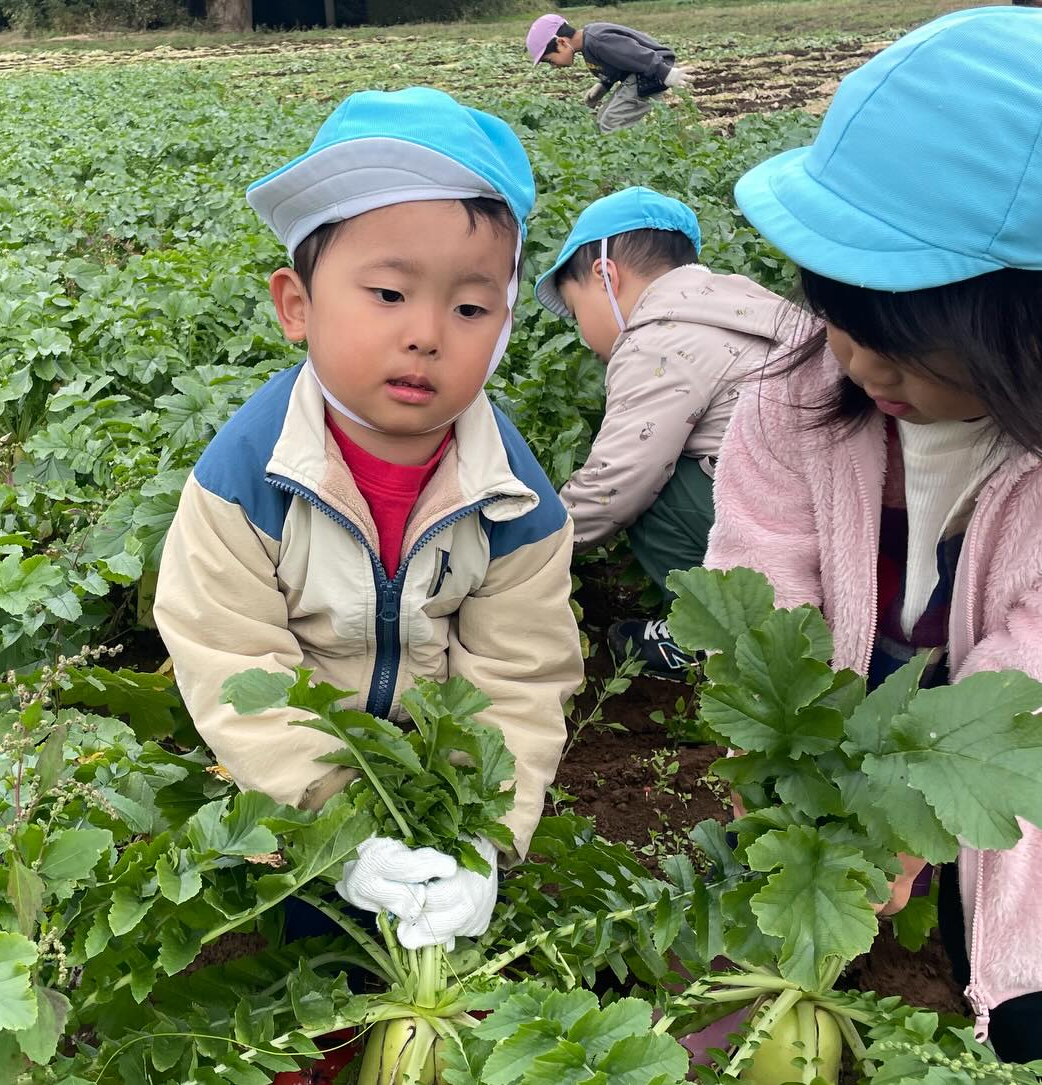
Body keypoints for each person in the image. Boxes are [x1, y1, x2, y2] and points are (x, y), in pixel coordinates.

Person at [154, 87, 585, 952]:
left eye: (470, 309)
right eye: (388, 293)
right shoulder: (246, 476)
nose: (427, 333)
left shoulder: (515, 496)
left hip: (439, 781)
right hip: (293, 781)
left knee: (441, 933)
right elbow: (231, 656)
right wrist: (334, 822)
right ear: (297, 305)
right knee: (303, 937)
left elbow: (520, 673)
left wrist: (484, 839)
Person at [707, 7, 1042, 1060]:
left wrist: (903, 811)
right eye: (839, 308)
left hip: (1004, 742)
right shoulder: (792, 394)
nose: (859, 359)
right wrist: (794, 772)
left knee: (1015, 956)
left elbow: (1024, 681)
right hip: (856, 684)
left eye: (904, 340)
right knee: (769, 941)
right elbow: (758, 591)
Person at [534, 187, 792, 677]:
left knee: (653, 488)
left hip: (781, 521)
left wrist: (527, 551)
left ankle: (716, 637)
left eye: (574, 310)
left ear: (605, 276)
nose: (581, 332)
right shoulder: (742, 304)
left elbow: (617, 485)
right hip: (837, 516)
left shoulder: (660, 337)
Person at [525, 12, 691, 133]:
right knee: (603, 118)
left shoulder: (597, 40)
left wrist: (665, 73)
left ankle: (625, 169)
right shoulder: (589, 44)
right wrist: (603, 86)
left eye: (550, 60)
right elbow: (617, 64)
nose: (554, 66)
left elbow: (633, 53)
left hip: (649, 73)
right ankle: (632, 150)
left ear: (561, 42)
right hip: (638, 74)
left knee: (612, 122)